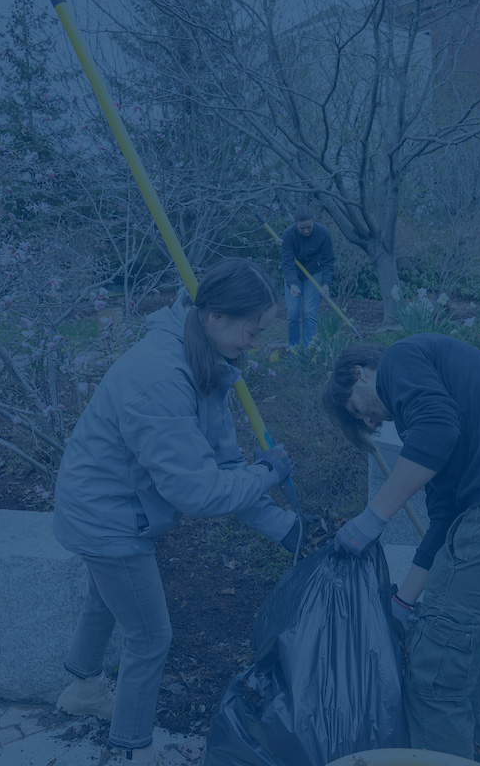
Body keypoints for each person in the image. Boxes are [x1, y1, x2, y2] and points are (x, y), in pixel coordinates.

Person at [53, 258, 303, 766]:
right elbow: (202, 493)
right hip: (107, 514)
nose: (254, 344)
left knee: (107, 598)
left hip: (106, 502)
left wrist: (289, 531)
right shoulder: (162, 378)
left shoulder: (201, 358)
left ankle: (83, 690)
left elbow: (227, 468)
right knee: (149, 637)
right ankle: (131, 749)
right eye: (251, 331)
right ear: (215, 317)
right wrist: (269, 472)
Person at [322, 335, 480, 762]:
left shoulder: (402, 359)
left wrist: (374, 517)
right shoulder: (432, 407)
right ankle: (470, 753)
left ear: (358, 373)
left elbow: (438, 428)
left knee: (431, 672)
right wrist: (403, 603)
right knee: (456, 659)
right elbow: (444, 521)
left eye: (355, 410)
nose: (367, 423)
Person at [280, 205, 336, 346]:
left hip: (314, 274)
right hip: (293, 275)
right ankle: (293, 349)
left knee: (309, 313)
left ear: (313, 221)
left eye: (309, 227)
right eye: (302, 228)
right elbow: (287, 262)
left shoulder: (323, 233)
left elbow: (328, 261)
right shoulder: (288, 235)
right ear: (295, 224)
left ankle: (309, 350)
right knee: (292, 313)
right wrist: (292, 283)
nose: (306, 231)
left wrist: (326, 283)